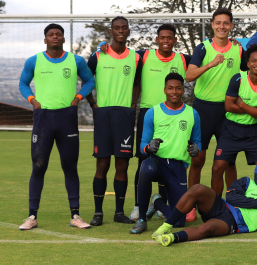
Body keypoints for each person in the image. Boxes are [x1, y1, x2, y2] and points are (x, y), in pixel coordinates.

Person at [95, 24, 192, 221]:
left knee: (170, 159)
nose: (166, 41)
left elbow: (201, 60)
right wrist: (101, 46)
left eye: (170, 38)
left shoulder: (183, 59)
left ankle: (161, 205)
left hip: (174, 115)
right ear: (157, 40)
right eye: (162, 37)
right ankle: (139, 206)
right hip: (149, 112)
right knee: (143, 161)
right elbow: (120, 54)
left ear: (175, 40)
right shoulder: (144, 56)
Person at [18, 23, 95, 230]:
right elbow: (23, 84)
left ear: (63, 39)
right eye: (51, 34)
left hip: (67, 117)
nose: (55, 37)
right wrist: (33, 100)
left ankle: (75, 216)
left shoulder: (75, 60)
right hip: (43, 117)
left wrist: (78, 98)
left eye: (58, 34)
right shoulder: (34, 61)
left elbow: (89, 81)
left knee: (70, 166)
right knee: (39, 166)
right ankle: (32, 216)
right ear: (45, 39)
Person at [185, 8, 247, 221]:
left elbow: (246, 76)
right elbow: (189, 75)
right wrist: (210, 64)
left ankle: (231, 204)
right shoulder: (203, 48)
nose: (222, 26)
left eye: (226, 23)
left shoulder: (238, 50)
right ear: (212, 25)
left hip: (227, 112)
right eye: (218, 23)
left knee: (227, 162)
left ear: (231, 26)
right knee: (197, 159)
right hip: (202, 110)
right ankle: (191, 203)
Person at [150, 156, 257, 246]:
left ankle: (172, 238)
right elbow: (231, 197)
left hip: (233, 223)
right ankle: (164, 228)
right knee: (197, 189)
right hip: (222, 207)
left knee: (207, 229)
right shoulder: (246, 182)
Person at [86, 16, 143, 226]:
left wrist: (132, 105)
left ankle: (119, 212)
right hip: (103, 114)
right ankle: (98, 212)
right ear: (111, 31)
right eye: (116, 28)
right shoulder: (98, 55)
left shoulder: (136, 57)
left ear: (128, 31)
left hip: (124, 115)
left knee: (122, 164)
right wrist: (93, 104)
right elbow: (86, 79)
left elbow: (137, 82)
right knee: (102, 163)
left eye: (124, 28)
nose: (120, 31)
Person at [129, 73, 201, 234]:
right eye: (170, 88)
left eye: (178, 88)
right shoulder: (153, 113)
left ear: (183, 90)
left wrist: (196, 149)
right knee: (145, 169)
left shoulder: (192, 114)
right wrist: (149, 147)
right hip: (157, 162)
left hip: (178, 167)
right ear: (164, 90)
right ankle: (141, 219)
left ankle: (157, 203)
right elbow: (142, 145)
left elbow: (198, 141)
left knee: (179, 222)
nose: (174, 92)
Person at [211, 43, 257, 195]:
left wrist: (241, 103)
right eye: (254, 60)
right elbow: (228, 106)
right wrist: (253, 110)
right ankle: (216, 206)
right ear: (248, 64)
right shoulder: (238, 79)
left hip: (254, 132)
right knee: (217, 168)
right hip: (231, 129)